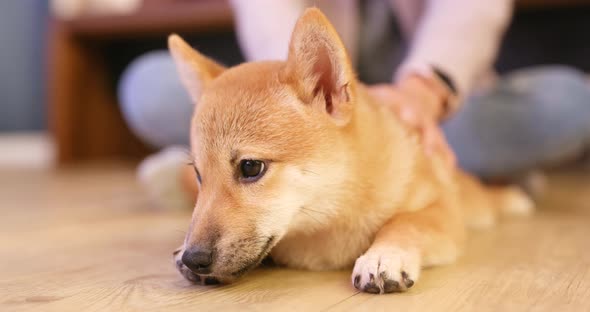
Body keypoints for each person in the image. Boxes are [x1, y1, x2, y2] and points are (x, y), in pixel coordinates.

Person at [120, 0, 590, 196]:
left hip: (424, 108)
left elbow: (470, 9)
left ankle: (218, 175)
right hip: (311, 96)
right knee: (148, 85)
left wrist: (422, 91)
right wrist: (307, 95)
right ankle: (476, 176)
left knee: (573, 102)